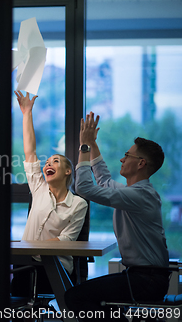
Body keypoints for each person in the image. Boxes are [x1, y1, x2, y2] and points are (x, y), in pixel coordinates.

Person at [64, 112, 170, 321]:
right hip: (143, 277)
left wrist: (84, 146)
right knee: (95, 302)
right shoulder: (136, 193)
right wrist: (92, 143)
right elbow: (103, 180)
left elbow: (84, 187)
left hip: (146, 280)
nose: (122, 158)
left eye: (127, 155)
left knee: (74, 296)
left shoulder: (139, 195)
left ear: (141, 163)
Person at [13, 90, 87, 296]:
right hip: (27, 262)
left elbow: (65, 241)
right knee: (14, 300)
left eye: (55, 161)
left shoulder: (78, 204)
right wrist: (26, 113)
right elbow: (30, 152)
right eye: (47, 162)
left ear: (67, 171)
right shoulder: (39, 188)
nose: (48, 164)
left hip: (56, 266)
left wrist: (29, 247)